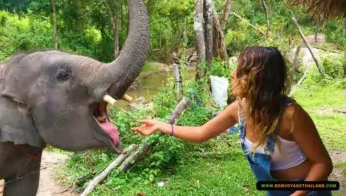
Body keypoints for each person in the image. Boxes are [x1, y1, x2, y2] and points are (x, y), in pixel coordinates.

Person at [131, 46, 333, 196]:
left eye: (239, 72)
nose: (232, 74)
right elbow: (202, 133)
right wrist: (161, 126)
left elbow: (323, 164)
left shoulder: (290, 114)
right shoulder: (239, 109)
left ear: (258, 79)